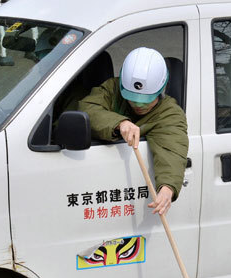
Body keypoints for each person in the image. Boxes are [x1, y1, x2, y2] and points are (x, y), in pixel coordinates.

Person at [78, 47, 188, 215]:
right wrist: (119, 123)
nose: (138, 105)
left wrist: (167, 188)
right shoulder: (111, 89)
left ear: (161, 89)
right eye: (132, 99)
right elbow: (88, 108)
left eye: (146, 101)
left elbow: (172, 149)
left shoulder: (169, 113)